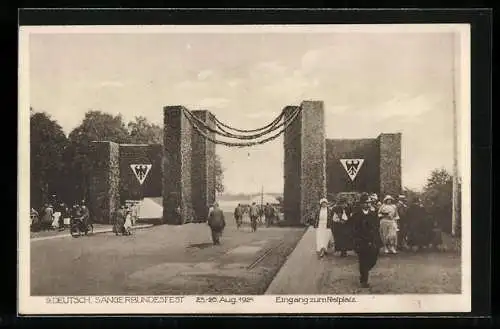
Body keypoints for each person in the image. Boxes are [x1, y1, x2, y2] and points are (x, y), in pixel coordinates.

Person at [351, 193, 380, 288]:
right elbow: (354, 228)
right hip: (361, 241)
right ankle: (364, 279)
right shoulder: (357, 214)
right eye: (365, 203)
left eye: (369, 203)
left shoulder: (373, 214)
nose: (368, 205)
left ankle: (365, 270)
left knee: (373, 259)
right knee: (363, 260)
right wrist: (356, 240)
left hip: (372, 240)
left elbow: (376, 227)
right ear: (361, 204)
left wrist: (376, 239)